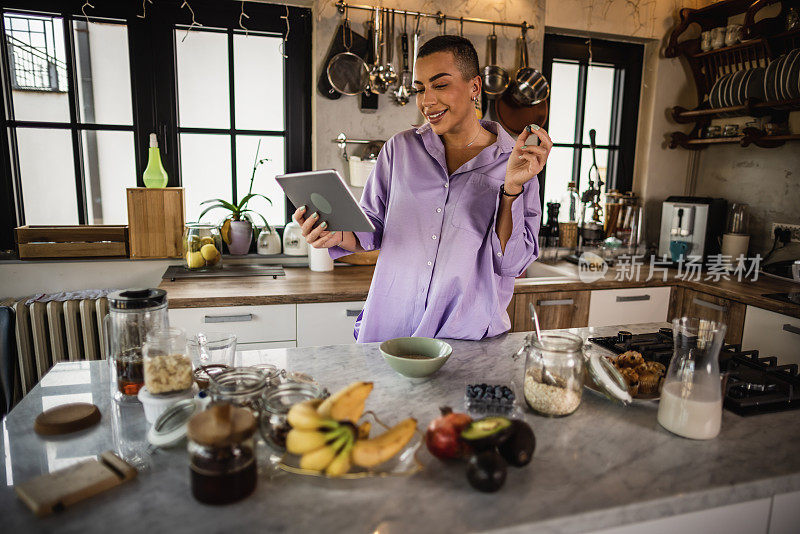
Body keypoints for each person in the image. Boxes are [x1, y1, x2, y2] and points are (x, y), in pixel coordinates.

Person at [294, 35, 552, 343]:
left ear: (474, 87)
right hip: (389, 332)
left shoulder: (516, 165)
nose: (426, 101)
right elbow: (369, 230)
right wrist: (334, 234)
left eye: (440, 85)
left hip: (462, 342)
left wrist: (510, 191)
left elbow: (511, 263)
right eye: (420, 88)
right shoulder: (399, 150)